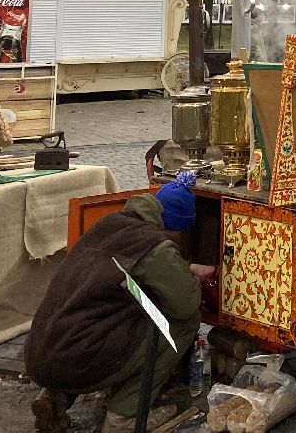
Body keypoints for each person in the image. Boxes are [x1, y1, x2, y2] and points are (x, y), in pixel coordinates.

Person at [27, 176, 212, 433]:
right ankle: (125, 416)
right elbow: (186, 304)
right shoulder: (156, 246)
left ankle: (54, 397)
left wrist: (180, 267)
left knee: (96, 322)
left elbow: (134, 270)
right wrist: (189, 277)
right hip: (79, 359)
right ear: (175, 228)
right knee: (184, 324)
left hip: (42, 352)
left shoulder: (110, 224)